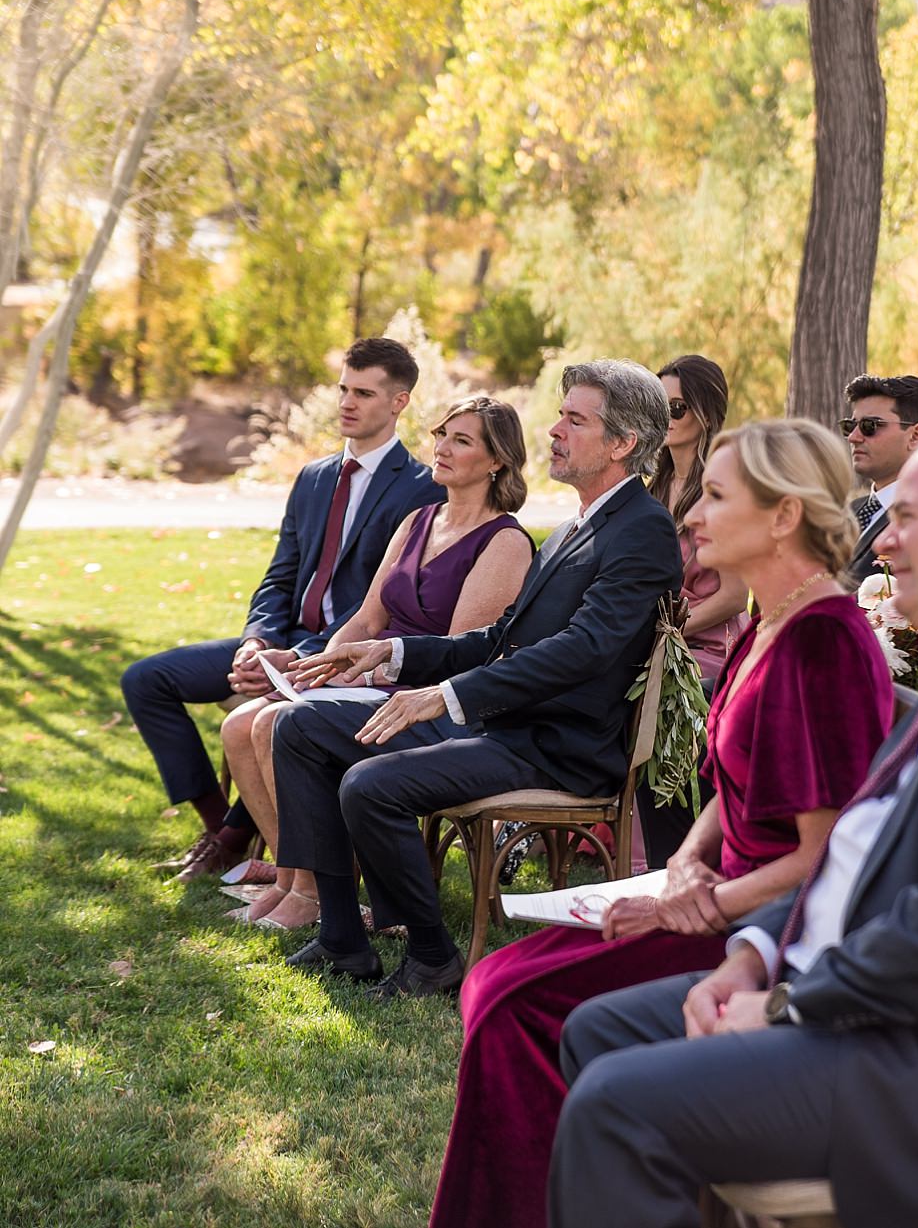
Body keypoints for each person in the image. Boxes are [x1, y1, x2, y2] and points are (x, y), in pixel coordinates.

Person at [548, 429, 918, 1228]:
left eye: (905, 516)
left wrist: (788, 1004)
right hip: (820, 980)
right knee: (598, 1027)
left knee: (613, 1108)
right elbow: (855, 863)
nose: (884, 538)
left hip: (916, 1057)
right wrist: (752, 956)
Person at [429, 417, 893, 1228]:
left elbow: (827, 859)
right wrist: (684, 859)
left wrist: (702, 901)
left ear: (784, 514)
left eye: (715, 496)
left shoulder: (825, 642)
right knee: (493, 978)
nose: (692, 516)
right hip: (712, 890)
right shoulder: (769, 621)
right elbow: (736, 786)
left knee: (514, 1004)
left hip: (766, 932)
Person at [269, 360, 683, 999]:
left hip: (557, 749)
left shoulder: (641, 530)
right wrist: (392, 652)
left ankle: (433, 957)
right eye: (560, 416)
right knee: (301, 726)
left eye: (575, 420)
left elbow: (586, 649)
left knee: (370, 785)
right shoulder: (576, 524)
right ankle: (344, 938)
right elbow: (500, 639)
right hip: (508, 729)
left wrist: (445, 696)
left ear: (622, 443)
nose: (554, 431)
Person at [121, 337, 442, 882]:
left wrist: (303, 656)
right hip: (282, 639)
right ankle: (226, 830)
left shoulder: (419, 489)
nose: (347, 402)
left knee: (271, 717)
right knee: (146, 679)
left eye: (364, 393)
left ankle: (236, 844)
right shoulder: (313, 477)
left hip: (341, 656)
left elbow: (387, 604)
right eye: (343, 389)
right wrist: (256, 640)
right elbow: (281, 573)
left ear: (399, 403)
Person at [220, 398, 534, 930]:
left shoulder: (504, 541)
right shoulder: (419, 519)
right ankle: (290, 878)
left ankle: (317, 893)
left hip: (422, 698)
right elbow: (367, 618)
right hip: (370, 675)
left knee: (276, 725)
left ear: (497, 460)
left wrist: (365, 670)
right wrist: (316, 665)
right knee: (238, 724)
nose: (442, 447)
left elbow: (457, 654)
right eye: (441, 435)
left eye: (462, 440)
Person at [636, 353, 749, 866]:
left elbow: (732, 597)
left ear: (704, 411)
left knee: (655, 705)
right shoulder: (652, 489)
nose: (663, 420)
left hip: (708, 650)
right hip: (652, 644)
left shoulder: (721, 488)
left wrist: (668, 634)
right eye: (655, 408)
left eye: (675, 408)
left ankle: (667, 857)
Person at [839, 372, 918, 583]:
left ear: (916, 436)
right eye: (849, 426)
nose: (853, 437)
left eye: (869, 426)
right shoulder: (849, 513)